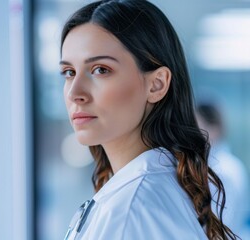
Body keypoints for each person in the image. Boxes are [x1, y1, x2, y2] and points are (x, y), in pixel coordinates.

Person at [59, 0, 238, 239]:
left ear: (157, 84)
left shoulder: (135, 207)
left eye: (100, 69)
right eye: (69, 72)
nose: (74, 93)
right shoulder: (143, 191)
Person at [196, 102, 250, 238]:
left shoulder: (223, 171)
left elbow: (220, 228)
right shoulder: (223, 166)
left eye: (196, 126)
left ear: (214, 130)